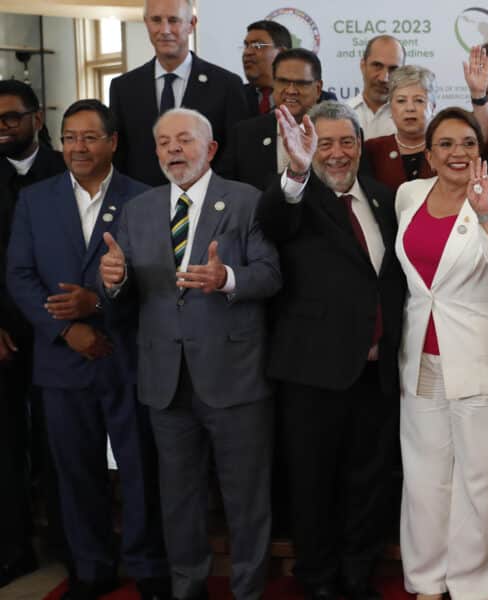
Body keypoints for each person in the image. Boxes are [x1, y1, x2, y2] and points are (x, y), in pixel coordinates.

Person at [98, 108, 281, 600]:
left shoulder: (246, 201)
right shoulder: (139, 209)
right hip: (165, 379)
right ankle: (188, 588)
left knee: (246, 499)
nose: (173, 150)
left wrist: (227, 279)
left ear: (211, 149)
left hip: (234, 376)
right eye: (163, 142)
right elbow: (124, 284)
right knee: (178, 498)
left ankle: (248, 590)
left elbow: (271, 274)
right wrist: (111, 282)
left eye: (184, 139)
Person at [6, 99, 170, 600]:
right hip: (61, 363)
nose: (78, 147)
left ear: (113, 142)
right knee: (75, 471)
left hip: (127, 356)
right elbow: (18, 274)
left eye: (90, 137)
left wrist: (97, 304)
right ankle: (91, 568)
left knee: (140, 469)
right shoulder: (36, 200)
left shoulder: (145, 198)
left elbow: (158, 281)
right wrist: (66, 330)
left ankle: (146, 567)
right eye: (69, 137)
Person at [257, 101, 404, 600]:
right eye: (326, 143)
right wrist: (296, 170)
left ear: (361, 145)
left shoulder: (387, 200)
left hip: (377, 371)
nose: (338, 154)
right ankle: (318, 578)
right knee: (313, 483)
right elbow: (273, 223)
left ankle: (357, 574)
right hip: (312, 372)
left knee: (368, 482)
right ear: (307, 146)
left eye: (348, 142)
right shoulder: (295, 199)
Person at [395, 108, 488, 600]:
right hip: (421, 358)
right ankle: (428, 580)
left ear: (482, 150)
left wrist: (487, 216)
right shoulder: (408, 195)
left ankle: (473, 585)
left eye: (469, 144)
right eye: (446, 145)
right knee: (425, 478)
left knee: (483, 481)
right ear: (428, 154)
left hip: (482, 359)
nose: (458, 154)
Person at [0, 79, 66, 588]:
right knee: (6, 446)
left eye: (11, 118)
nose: (3, 128)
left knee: (58, 443)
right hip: (2, 332)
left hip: (58, 329)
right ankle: (14, 548)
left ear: (36, 119)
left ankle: (69, 543)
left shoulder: (67, 168)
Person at [110, 0, 249, 186]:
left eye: (174, 20)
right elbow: (120, 155)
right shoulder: (124, 88)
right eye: (156, 20)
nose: (165, 30)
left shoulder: (226, 85)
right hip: (143, 204)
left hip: (209, 204)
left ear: (191, 24)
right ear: (146, 23)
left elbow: (235, 153)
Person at [222, 48, 325, 190]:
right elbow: (226, 190)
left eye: (300, 83)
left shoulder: (337, 133)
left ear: (318, 89)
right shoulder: (244, 134)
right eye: (283, 82)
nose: (290, 91)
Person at [363, 65, 435, 194]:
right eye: (401, 101)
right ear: (390, 108)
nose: (410, 108)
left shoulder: (445, 148)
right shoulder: (371, 150)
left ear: (433, 107)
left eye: (419, 100)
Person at [344, 35, 405, 139]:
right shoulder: (344, 113)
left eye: (393, 69)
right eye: (377, 66)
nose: (384, 78)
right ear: (363, 66)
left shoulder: (412, 119)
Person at [241, 20, 290, 115]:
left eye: (258, 46)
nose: (247, 52)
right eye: (246, 46)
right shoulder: (235, 97)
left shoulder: (315, 99)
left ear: (281, 53)